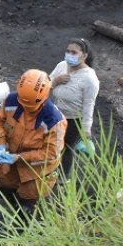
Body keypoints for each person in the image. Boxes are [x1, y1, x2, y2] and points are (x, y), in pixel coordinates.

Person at [0, 69, 67, 211]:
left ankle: (22, 226)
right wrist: (0, 144)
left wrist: (19, 157)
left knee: (27, 206)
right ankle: (10, 212)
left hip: (37, 171)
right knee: (5, 188)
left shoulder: (55, 121)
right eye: (23, 104)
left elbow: (51, 153)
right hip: (10, 161)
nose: (26, 109)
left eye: (31, 106)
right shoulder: (10, 101)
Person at [49, 38, 99, 179]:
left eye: (74, 52)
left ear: (84, 56)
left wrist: (86, 128)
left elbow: (89, 105)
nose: (70, 54)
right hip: (55, 114)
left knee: (66, 148)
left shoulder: (90, 79)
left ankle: (64, 179)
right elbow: (46, 83)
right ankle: (49, 172)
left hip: (73, 120)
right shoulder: (61, 66)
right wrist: (56, 81)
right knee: (51, 144)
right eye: (68, 51)